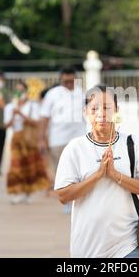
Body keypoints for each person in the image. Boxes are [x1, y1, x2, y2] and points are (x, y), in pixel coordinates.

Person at [55, 85, 139, 258]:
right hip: (86, 247)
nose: (101, 113)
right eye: (94, 108)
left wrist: (116, 176)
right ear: (85, 112)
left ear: (117, 110)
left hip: (127, 245)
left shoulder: (132, 143)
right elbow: (63, 195)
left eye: (107, 107)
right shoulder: (75, 148)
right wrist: (98, 175)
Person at [40, 66, 86, 213]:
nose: (68, 84)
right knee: (64, 172)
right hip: (58, 139)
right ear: (61, 80)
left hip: (79, 138)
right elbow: (44, 117)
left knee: (79, 171)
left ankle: (78, 201)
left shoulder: (82, 93)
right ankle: (67, 201)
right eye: (65, 81)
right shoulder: (52, 94)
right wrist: (42, 138)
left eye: (71, 81)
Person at [5, 82, 50, 204]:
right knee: (16, 167)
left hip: (29, 140)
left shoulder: (32, 106)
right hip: (16, 139)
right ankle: (16, 192)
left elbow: (36, 122)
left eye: (21, 91)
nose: (19, 94)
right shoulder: (10, 107)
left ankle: (28, 193)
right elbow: (6, 125)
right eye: (17, 91)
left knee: (30, 166)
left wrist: (21, 114)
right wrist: (13, 116)